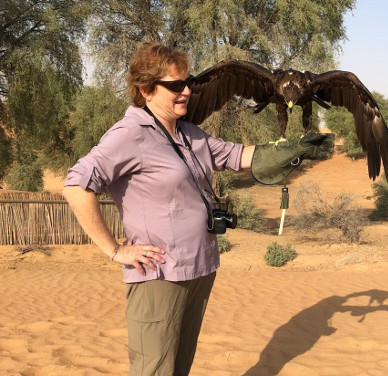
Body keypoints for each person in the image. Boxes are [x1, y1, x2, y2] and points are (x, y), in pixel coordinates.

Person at [63, 41, 333, 376]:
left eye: (188, 82)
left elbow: (239, 156)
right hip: (159, 276)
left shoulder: (189, 133)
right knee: (153, 369)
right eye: (176, 85)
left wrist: (295, 150)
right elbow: (76, 185)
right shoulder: (130, 134)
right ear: (146, 90)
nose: (187, 91)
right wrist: (115, 250)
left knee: (178, 368)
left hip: (199, 269)